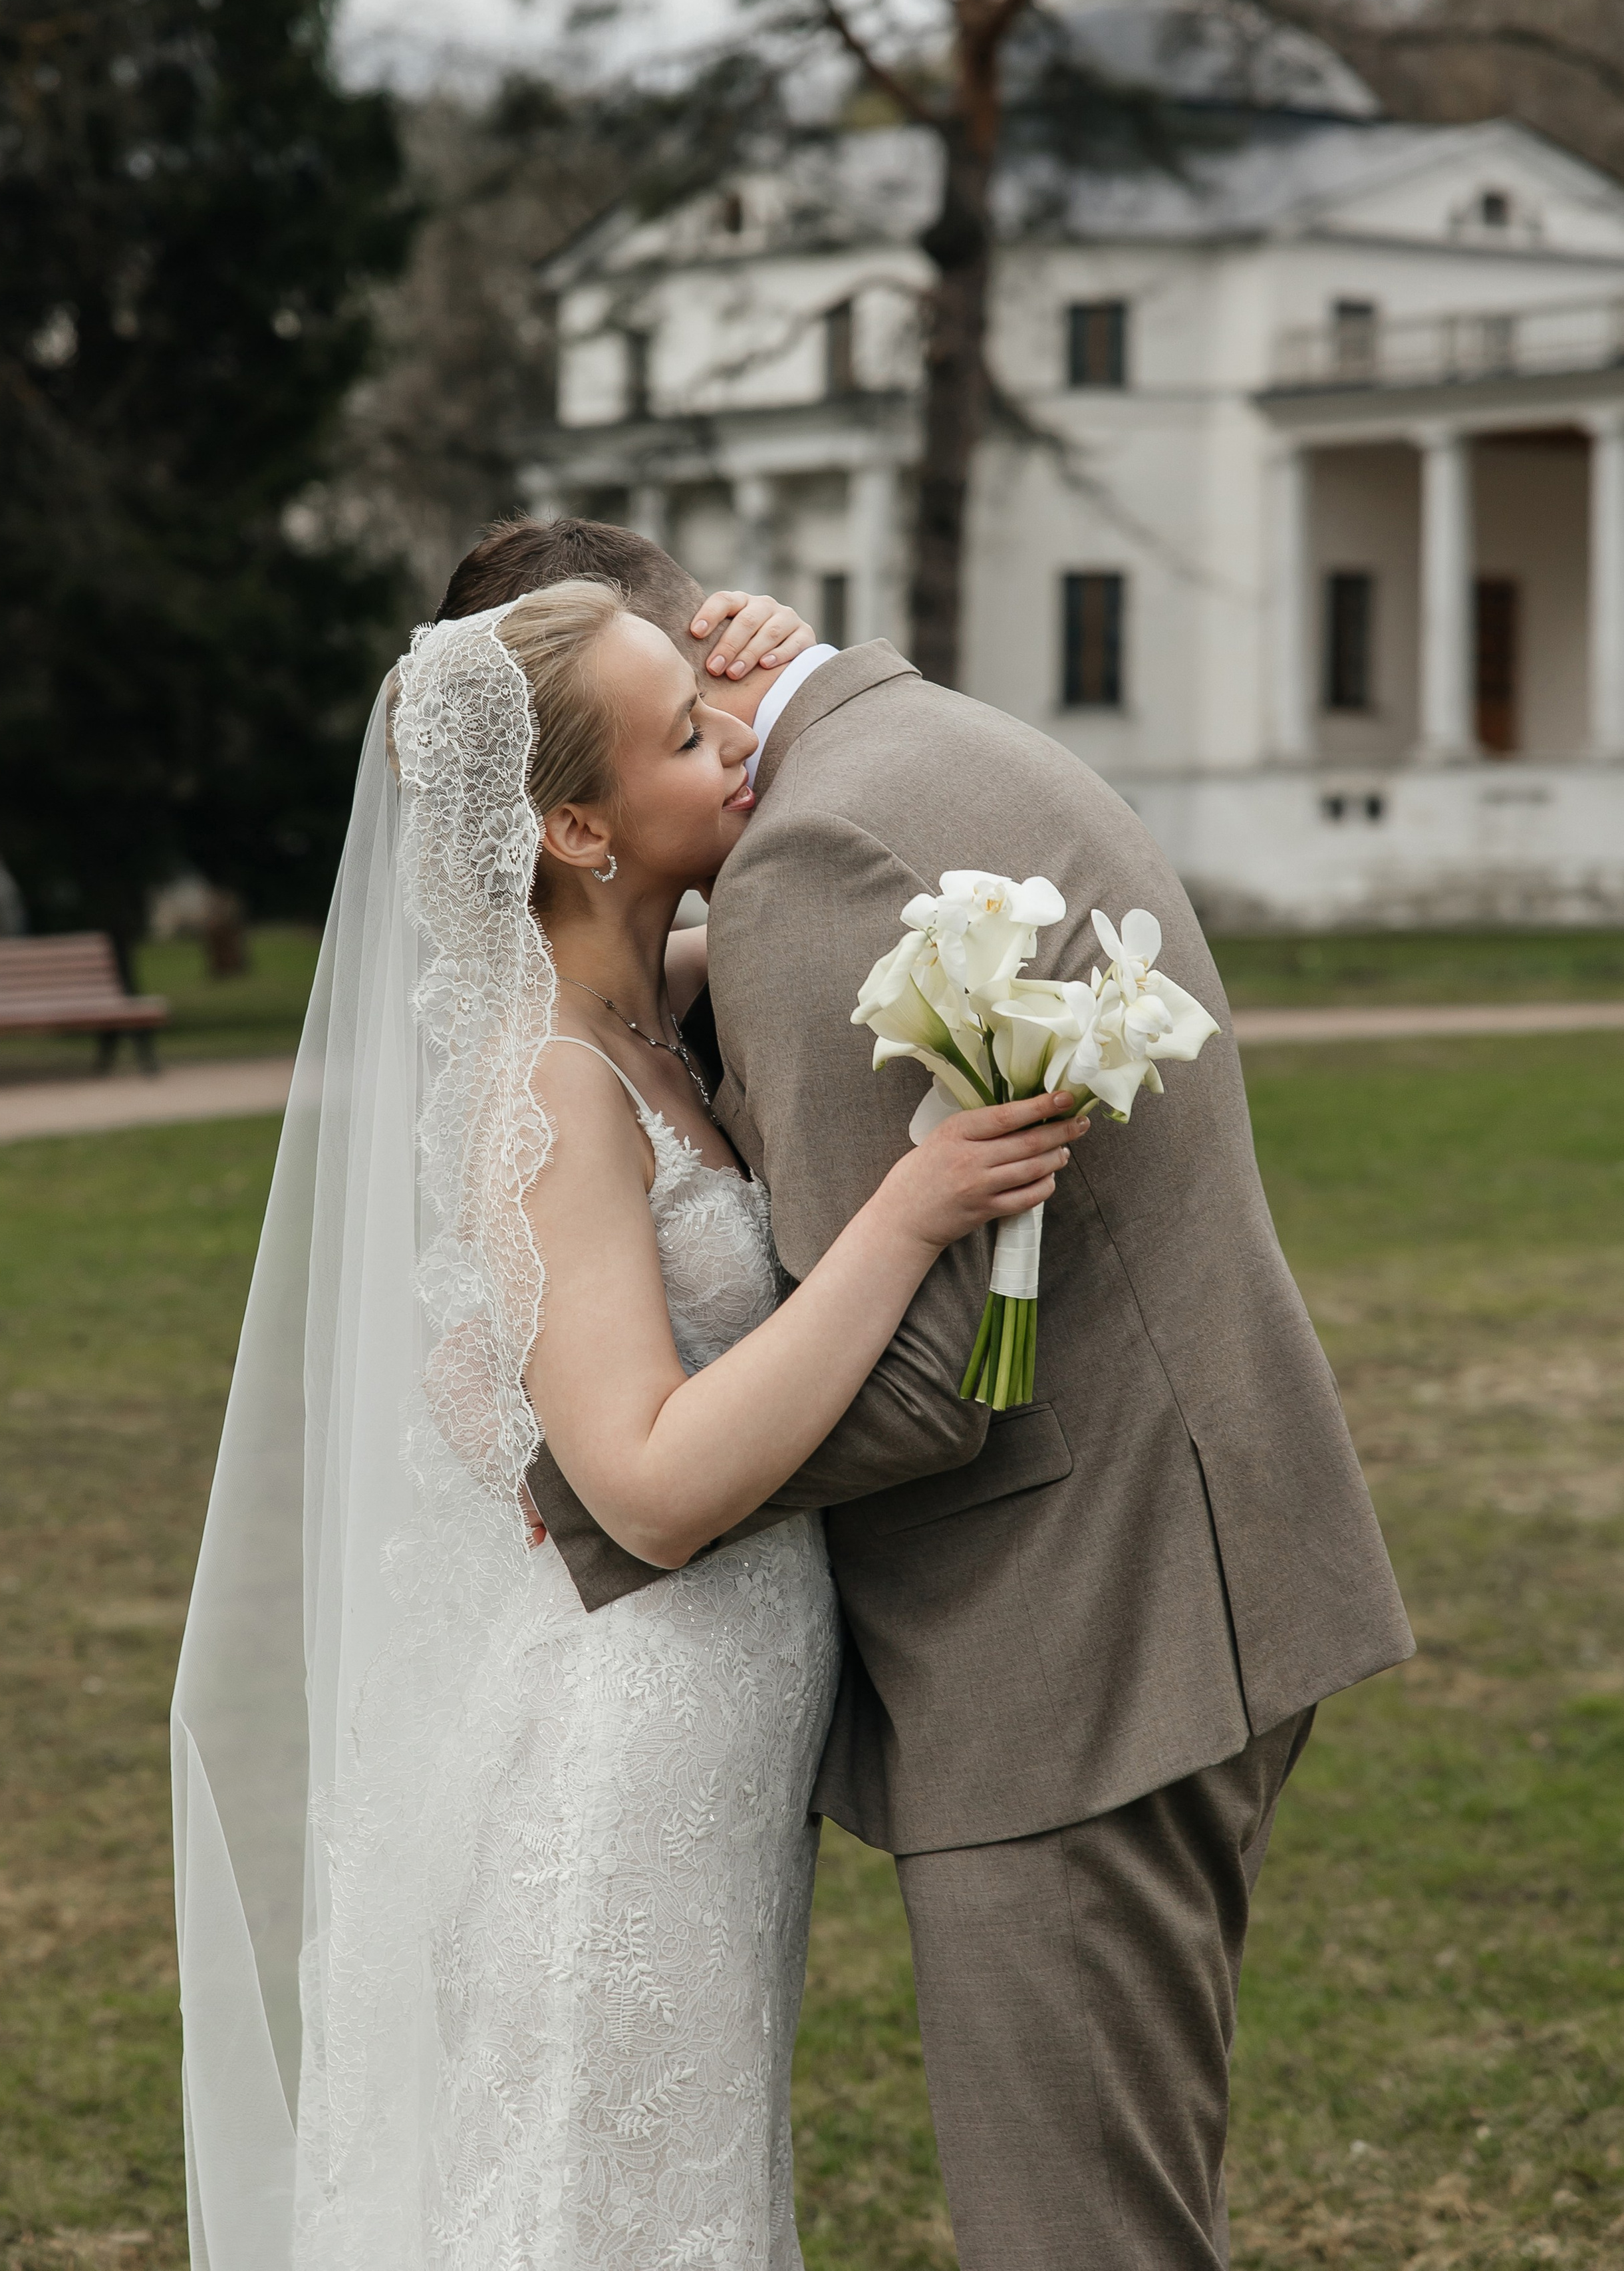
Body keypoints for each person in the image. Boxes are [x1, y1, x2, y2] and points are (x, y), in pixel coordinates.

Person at [455, 516, 1416, 2271]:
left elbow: (923, 1390)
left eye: (696, 708)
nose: (718, 750)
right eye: (670, 730)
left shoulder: (817, 851)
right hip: (1174, 1572)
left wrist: (592, 1487)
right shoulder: (908, 757)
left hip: (1067, 1643)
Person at [171, 576, 1086, 2269]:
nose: (738, 744)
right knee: (593, 2200)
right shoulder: (549, 1082)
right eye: (684, 734)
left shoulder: (649, 1000)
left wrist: (781, 648)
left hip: (724, 1737)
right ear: (577, 825)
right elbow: (650, 1489)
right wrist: (910, 1211)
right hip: (625, 1747)